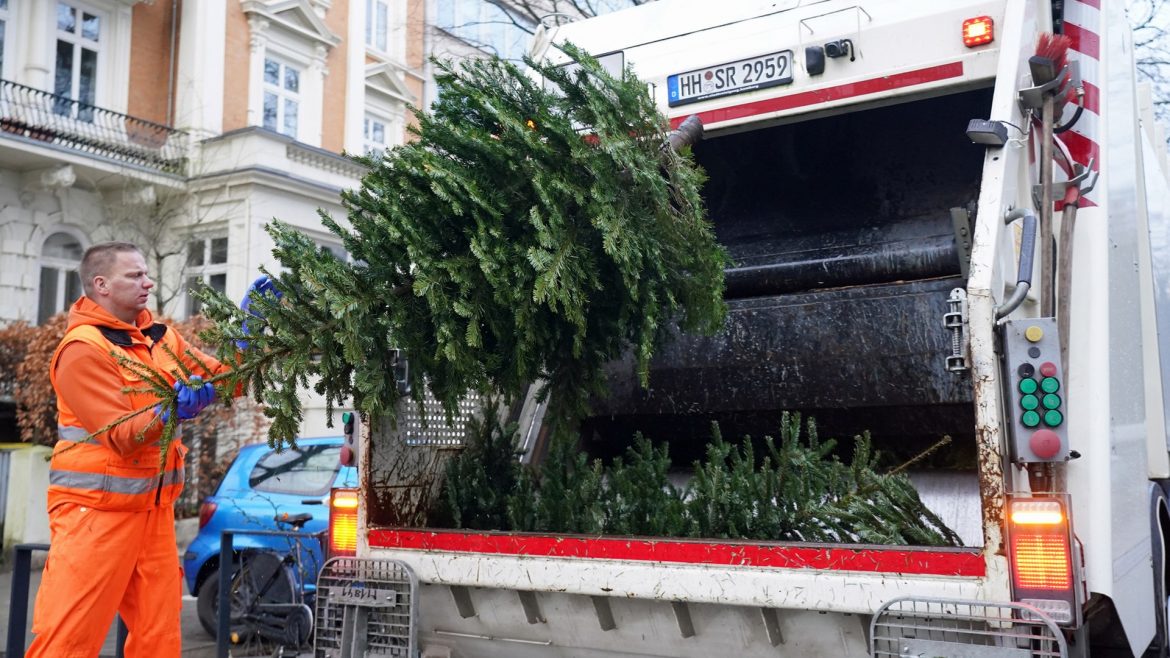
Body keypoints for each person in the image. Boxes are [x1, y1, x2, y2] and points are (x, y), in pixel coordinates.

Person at [26, 241, 241, 658]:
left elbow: (229, 379)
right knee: (69, 640)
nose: (148, 282)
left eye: (146, 273)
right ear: (101, 285)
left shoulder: (161, 338)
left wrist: (249, 337)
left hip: (152, 513)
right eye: (135, 275)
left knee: (158, 640)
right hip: (96, 517)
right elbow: (121, 435)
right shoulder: (82, 349)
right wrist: (172, 410)